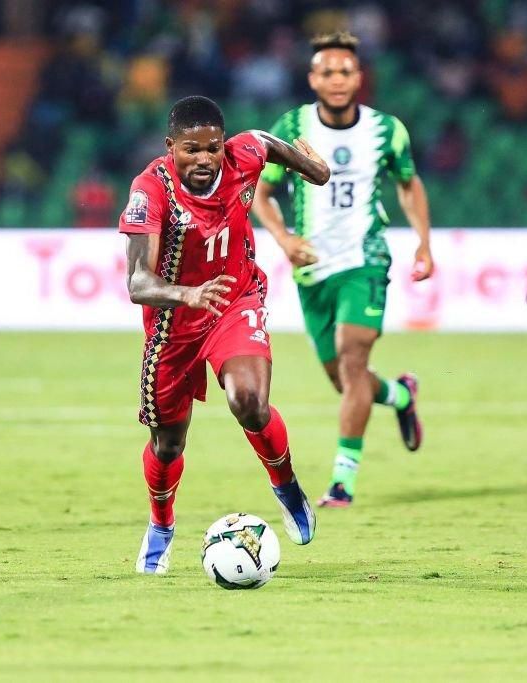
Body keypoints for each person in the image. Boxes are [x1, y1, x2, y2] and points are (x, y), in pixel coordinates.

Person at [119, 95, 331, 574]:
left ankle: (286, 486)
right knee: (168, 444)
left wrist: (310, 168)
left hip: (234, 300)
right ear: (170, 146)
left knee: (250, 401)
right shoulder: (150, 190)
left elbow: (264, 142)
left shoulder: (243, 155)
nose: (204, 159)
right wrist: (188, 294)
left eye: (211, 148)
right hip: (173, 327)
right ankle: (161, 524)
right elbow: (137, 283)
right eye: (191, 149)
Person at [252, 32, 434, 508]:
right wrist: (285, 238)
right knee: (344, 380)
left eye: (346, 72)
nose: (337, 80)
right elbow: (261, 193)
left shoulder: (386, 130)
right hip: (313, 269)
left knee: (353, 365)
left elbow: (409, 186)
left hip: (365, 260)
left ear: (359, 78)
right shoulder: (291, 127)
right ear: (313, 78)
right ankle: (399, 395)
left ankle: (342, 482)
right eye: (327, 72)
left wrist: (423, 243)